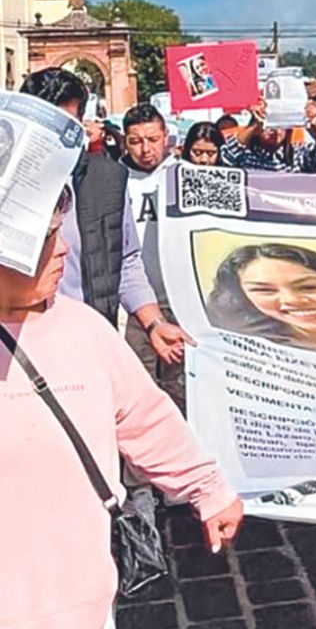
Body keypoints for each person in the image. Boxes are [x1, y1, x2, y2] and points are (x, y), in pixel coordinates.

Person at [0, 202, 244, 628]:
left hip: (77, 603)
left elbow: (147, 420)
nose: (64, 251)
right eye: (47, 238)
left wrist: (207, 488)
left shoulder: (85, 329)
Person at [20, 68, 191, 371]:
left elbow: (125, 260)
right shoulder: (3, 182)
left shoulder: (107, 179)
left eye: (66, 125)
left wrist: (153, 323)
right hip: (14, 342)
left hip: (86, 340)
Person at [120, 103, 188, 408]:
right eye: (136, 141)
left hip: (181, 300)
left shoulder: (187, 176)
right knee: (139, 387)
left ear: (166, 137)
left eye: (152, 139)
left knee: (182, 387)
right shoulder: (114, 180)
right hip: (134, 307)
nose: (145, 149)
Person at [222, 96, 316, 172]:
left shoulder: (297, 156)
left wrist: (314, 126)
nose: (276, 130)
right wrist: (253, 126)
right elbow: (227, 155)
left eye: (280, 124)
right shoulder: (245, 156)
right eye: (270, 123)